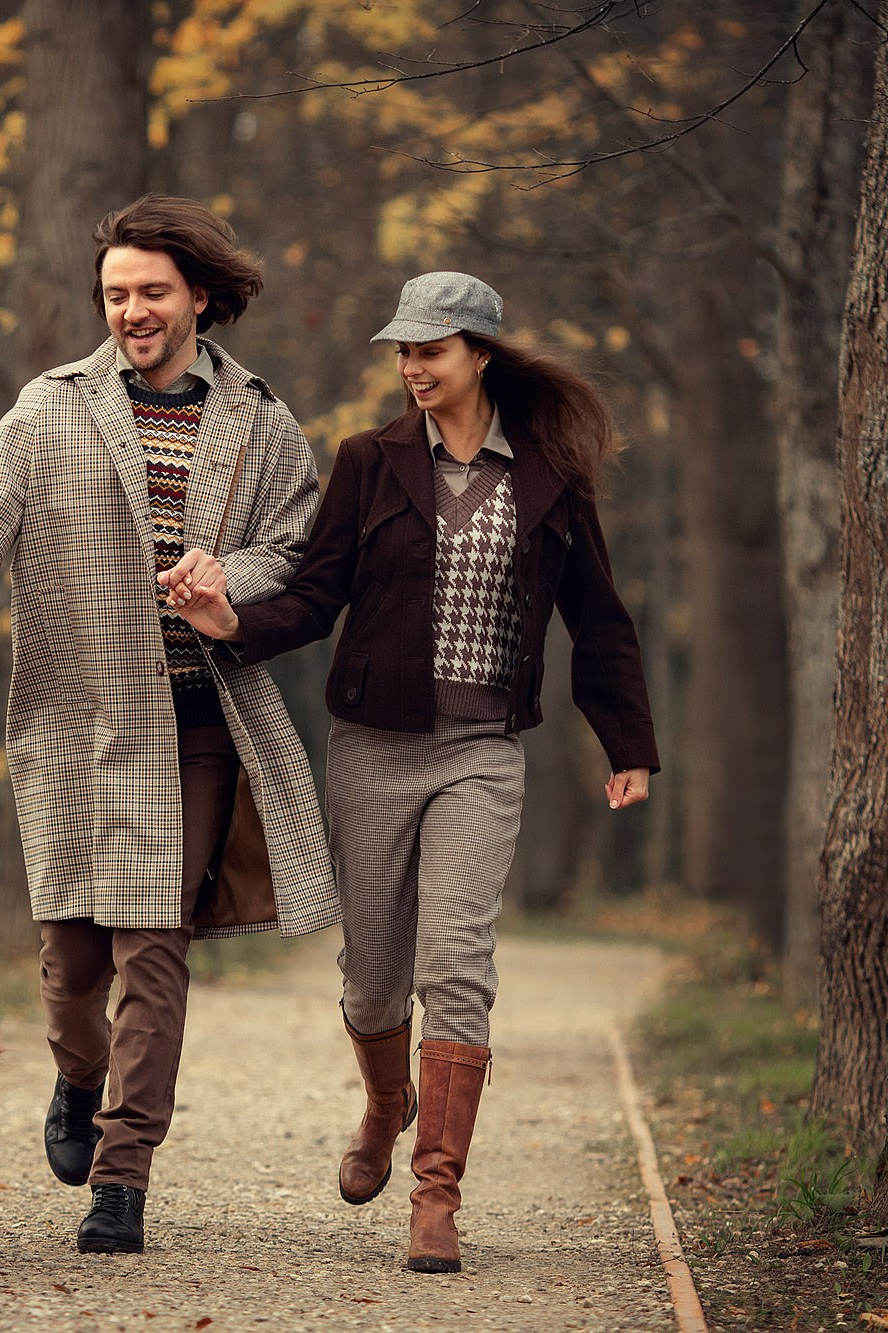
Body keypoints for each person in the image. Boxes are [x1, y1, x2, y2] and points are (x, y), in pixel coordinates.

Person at [0, 196, 336, 1256]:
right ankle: (77, 1076)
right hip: (74, 719)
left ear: (197, 297)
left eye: (151, 292)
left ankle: (121, 1179)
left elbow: (297, 546)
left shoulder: (258, 419)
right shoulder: (51, 408)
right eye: (116, 295)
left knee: (153, 950)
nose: (131, 311)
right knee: (73, 964)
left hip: (197, 722)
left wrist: (229, 579)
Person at [161, 271, 659, 1274]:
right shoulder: (369, 461)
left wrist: (629, 743)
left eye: (428, 350)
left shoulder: (551, 471)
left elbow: (597, 617)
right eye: (401, 350)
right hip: (371, 750)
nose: (409, 367)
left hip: (481, 754)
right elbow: (316, 595)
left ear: (477, 352)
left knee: (455, 965)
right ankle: (386, 1099)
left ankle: (436, 1196)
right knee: (372, 980)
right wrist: (234, 624)